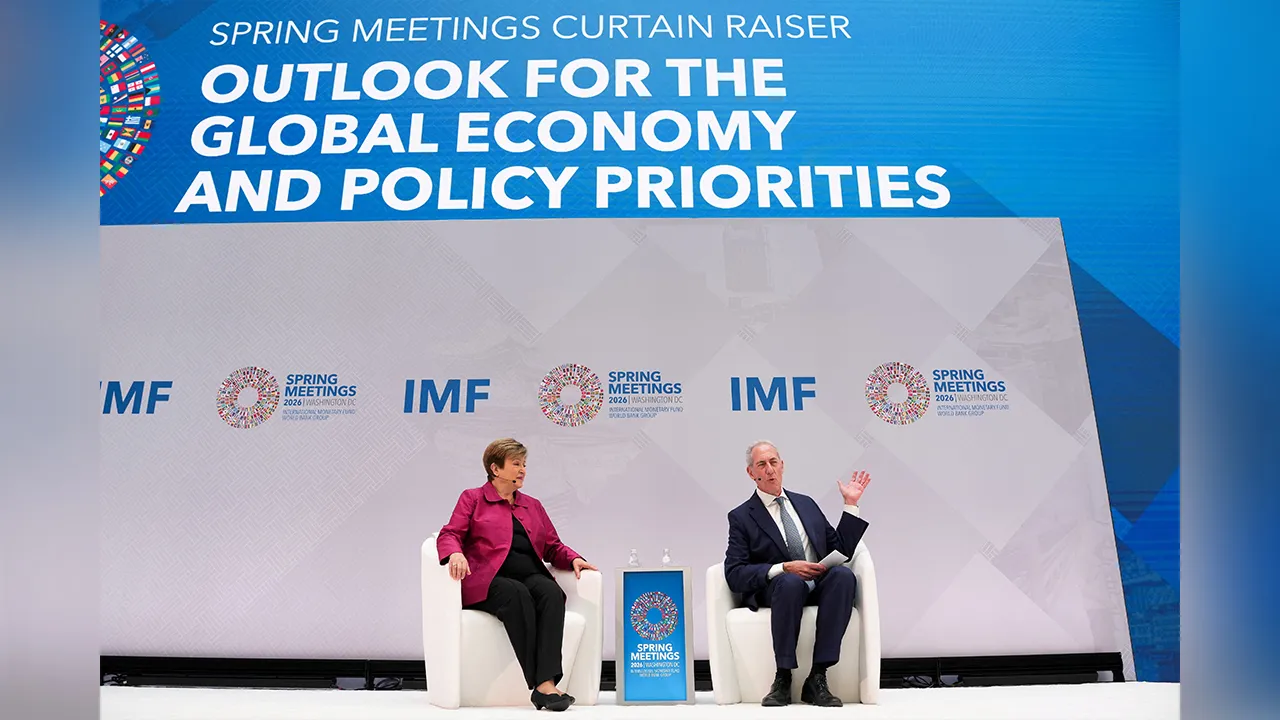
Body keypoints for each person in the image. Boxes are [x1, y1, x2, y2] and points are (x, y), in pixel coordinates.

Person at [437, 438, 598, 712]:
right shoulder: (473, 498)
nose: (523, 469)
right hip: (489, 581)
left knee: (549, 592)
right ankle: (543, 685)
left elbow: (552, 546)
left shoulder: (532, 505)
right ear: (495, 468)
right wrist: (455, 553)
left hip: (529, 575)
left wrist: (573, 558)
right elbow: (450, 533)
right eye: (516, 464)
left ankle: (545, 686)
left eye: (524, 464)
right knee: (516, 594)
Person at [723, 440, 872, 707]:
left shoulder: (806, 504)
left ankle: (817, 677)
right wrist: (783, 568)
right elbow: (734, 573)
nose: (769, 469)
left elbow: (841, 551)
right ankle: (783, 677)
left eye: (773, 462)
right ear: (751, 473)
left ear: (782, 465)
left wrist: (850, 505)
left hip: (817, 583)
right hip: (779, 589)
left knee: (843, 576)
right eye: (761, 464)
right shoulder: (742, 517)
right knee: (790, 582)